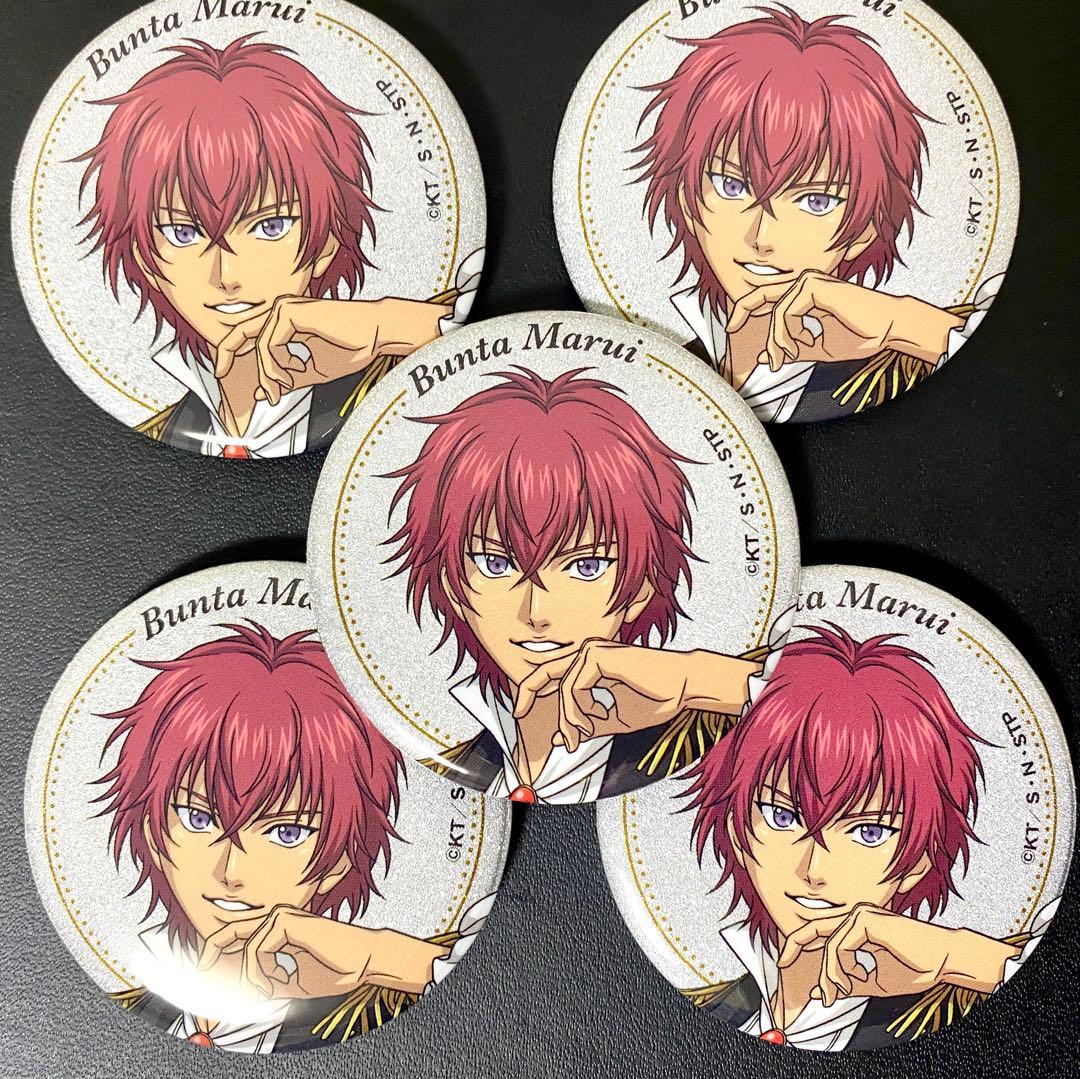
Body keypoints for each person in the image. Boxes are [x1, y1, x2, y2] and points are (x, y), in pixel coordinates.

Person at [94, 622, 488, 1053]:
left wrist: (379, 958)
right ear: (153, 833)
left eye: (286, 832)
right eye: (198, 818)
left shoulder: (381, 992)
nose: (230, 872)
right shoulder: (133, 988)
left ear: (341, 859)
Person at [77, 36, 480, 457]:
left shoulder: (401, 358)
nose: (226, 277)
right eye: (184, 233)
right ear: (146, 259)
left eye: (269, 226)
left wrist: (385, 327)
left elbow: (493, 341)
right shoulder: (162, 426)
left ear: (327, 241)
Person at [386, 366, 772, 804]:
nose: (535, 613)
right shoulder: (449, 759)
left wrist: (696, 679)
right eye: (496, 564)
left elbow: (818, 705)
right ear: (451, 583)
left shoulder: (705, 726)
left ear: (643, 586)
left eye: (585, 566)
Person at [684, 624, 1057, 1050]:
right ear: (736, 829)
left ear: (920, 859)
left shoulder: (956, 990)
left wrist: (957, 958)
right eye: (782, 816)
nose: (814, 870)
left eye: (868, 831)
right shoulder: (710, 988)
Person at [635, 6, 999, 422]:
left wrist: (900, 323)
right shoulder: (655, 361)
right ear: (686, 198)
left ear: (866, 228)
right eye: (732, 186)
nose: (762, 237)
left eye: (816, 202)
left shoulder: (908, 351)